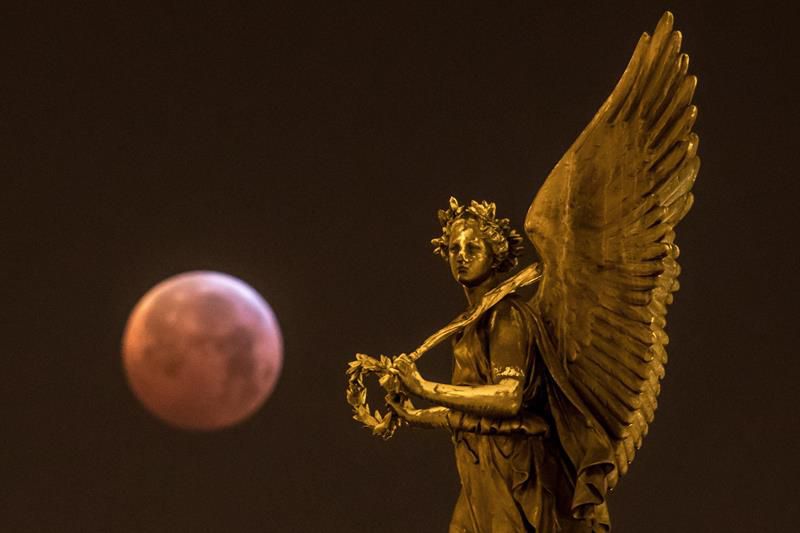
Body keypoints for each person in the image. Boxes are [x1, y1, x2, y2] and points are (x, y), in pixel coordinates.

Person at [386, 198, 612, 532]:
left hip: (513, 469)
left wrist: (424, 388)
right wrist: (415, 414)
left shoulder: (506, 317)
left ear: (495, 255)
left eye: (473, 247)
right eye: (454, 248)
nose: (461, 256)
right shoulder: (469, 324)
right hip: (480, 465)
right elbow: (472, 410)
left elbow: (507, 398)